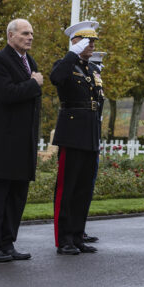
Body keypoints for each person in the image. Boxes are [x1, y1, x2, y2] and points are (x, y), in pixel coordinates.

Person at [0, 19, 43, 262]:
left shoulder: (29, 62)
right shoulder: (0, 60)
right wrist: (33, 83)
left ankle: (7, 243)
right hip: (4, 144)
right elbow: (7, 94)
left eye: (32, 33)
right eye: (25, 33)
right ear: (11, 35)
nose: (30, 37)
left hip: (23, 144)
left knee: (17, 198)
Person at [50, 21, 101, 255]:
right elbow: (56, 78)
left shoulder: (92, 70)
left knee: (83, 189)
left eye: (93, 41)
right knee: (67, 188)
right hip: (72, 133)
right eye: (87, 41)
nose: (91, 45)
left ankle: (78, 235)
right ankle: (64, 239)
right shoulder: (65, 65)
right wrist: (71, 54)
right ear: (75, 42)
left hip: (89, 132)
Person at [82, 51, 106, 244]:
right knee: (79, 188)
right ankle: (75, 230)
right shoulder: (85, 78)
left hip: (92, 137)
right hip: (83, 137)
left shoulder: (96, 85)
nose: (98, 72)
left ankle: (80, 228)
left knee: (87, 188)